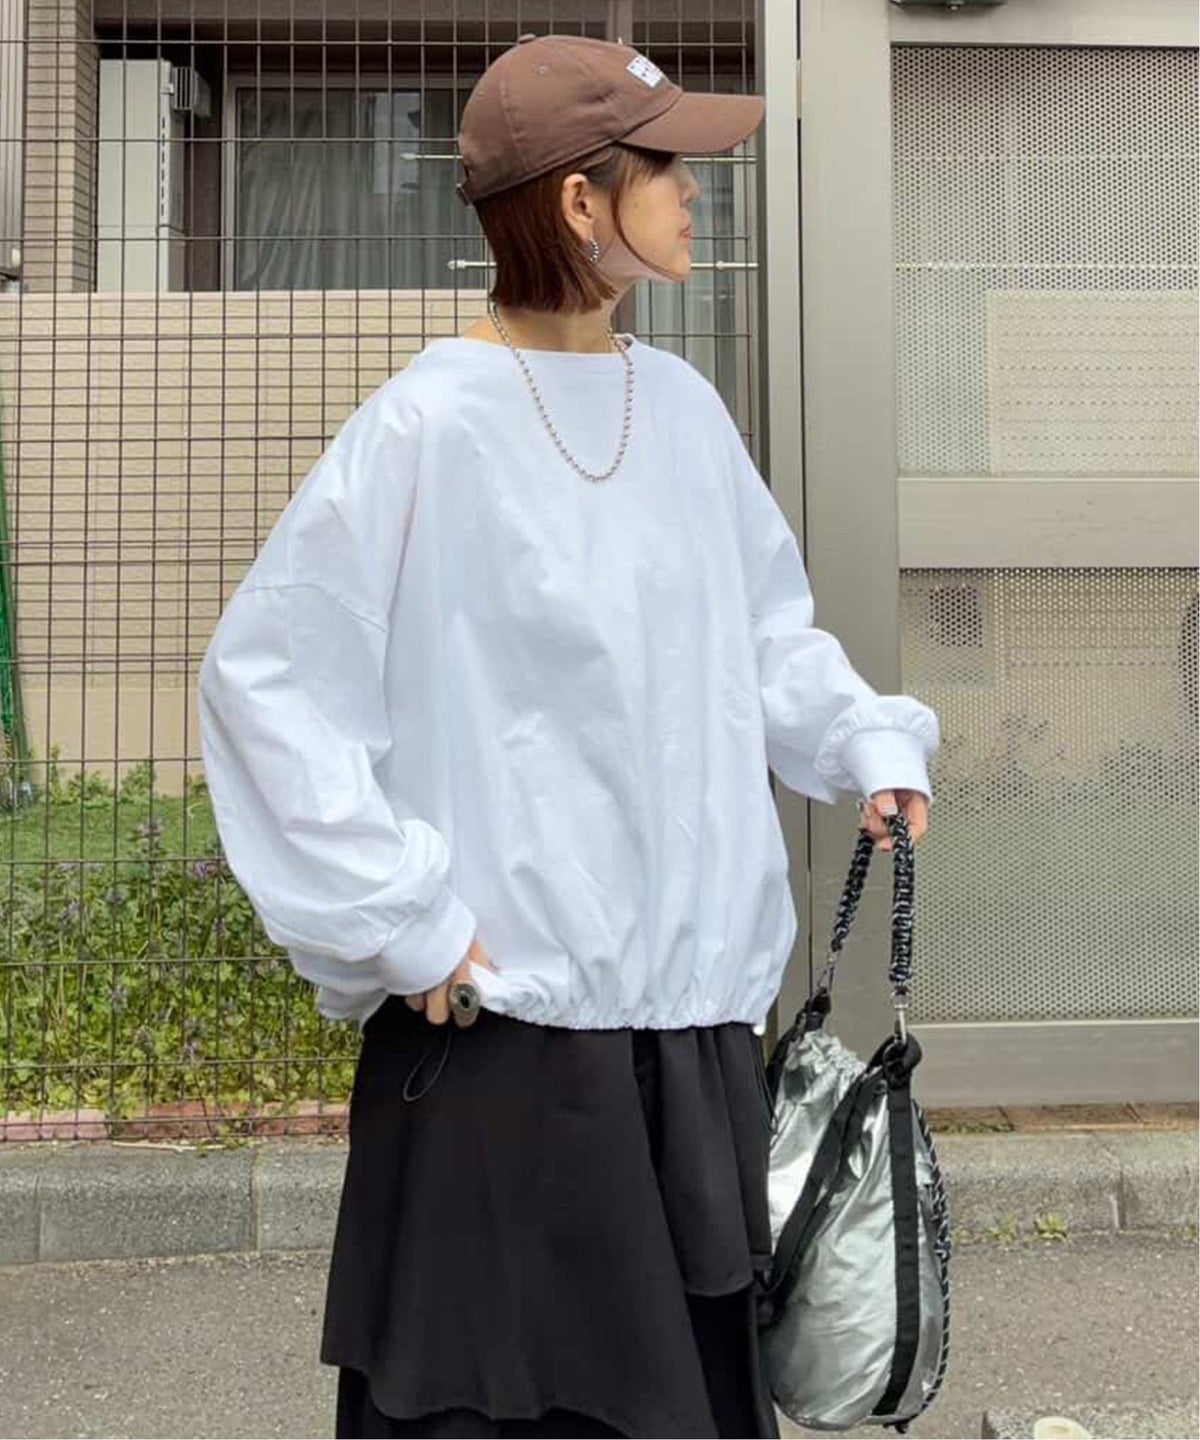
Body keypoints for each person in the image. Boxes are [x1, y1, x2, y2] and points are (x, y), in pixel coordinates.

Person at [197, 33, 939, 1440]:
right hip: (506, 1045)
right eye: (666, 166)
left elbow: (764, 634)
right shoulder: (426, 426)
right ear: (580, 202)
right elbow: (268, 682)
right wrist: (400, 917)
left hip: (693, 1035)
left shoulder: (685, 414)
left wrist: (865, 742)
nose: (696, 191)